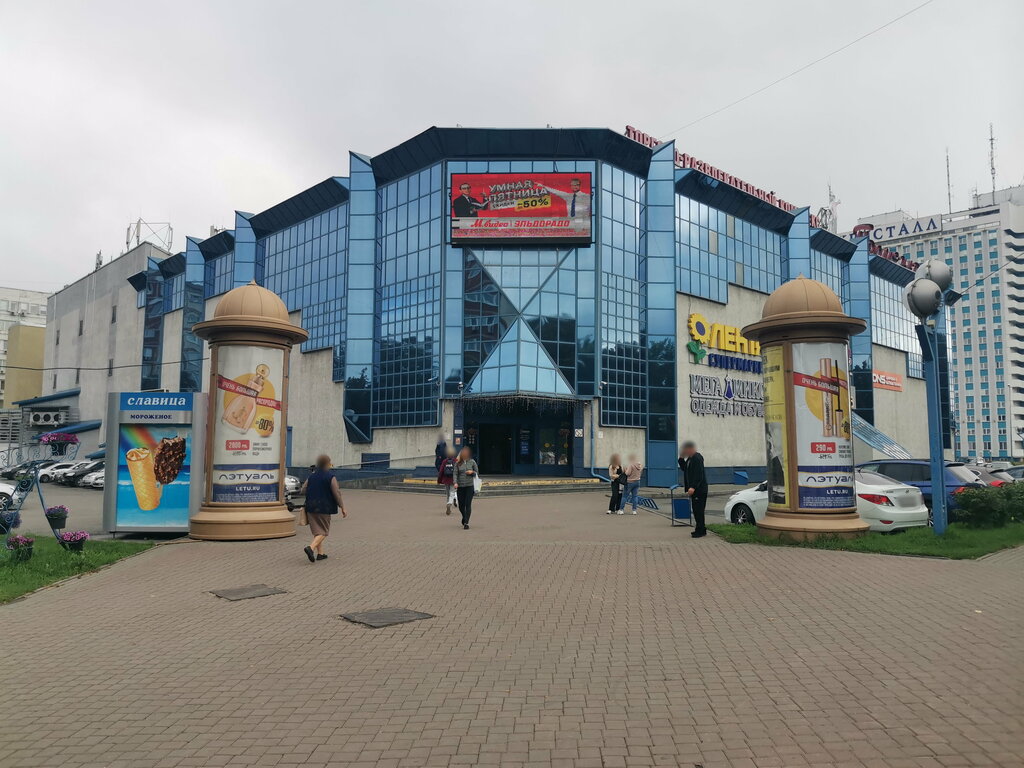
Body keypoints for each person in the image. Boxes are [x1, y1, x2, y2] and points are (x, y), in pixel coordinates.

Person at [300, 454, 347, 562]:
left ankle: (320, 554)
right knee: (324, 531)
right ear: (327, 464)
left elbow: (303, 490)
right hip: (324, 507)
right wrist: (342, 507)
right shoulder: (330, 477)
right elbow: (336, 493)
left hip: (311, 506)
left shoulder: (312, 476)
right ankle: (310, 548)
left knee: (317, 530)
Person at [678, 441, 708, 538]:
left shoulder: (697, 458)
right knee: (696, 510)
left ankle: (701, 530)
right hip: (694, 490)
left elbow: (699, 474)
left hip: (699, 490)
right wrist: (681, 458)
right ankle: (700, 529)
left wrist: (693, 487)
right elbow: (685, 469)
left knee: (699, 510)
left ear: (690, 449)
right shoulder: (690, 459)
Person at [453, 446, 479, 530]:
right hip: (460, 486)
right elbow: (455, 474)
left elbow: (477, 473)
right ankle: (464, 517)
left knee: (468, 504)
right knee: (461, 505)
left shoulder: (472, 462)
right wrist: (455, 482)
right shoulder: (457, 463)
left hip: (469, 486)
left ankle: (466, 523)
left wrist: (472, 472)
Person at [437, 446, 457, 515]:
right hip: (453, 480)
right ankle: (449, 503)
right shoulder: (455, 461)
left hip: (446, 480)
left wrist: (439, 480)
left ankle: (448, 504)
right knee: (452, 493)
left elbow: (441, 471)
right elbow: (459, 471)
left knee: (448, 494)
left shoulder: (444, 461)